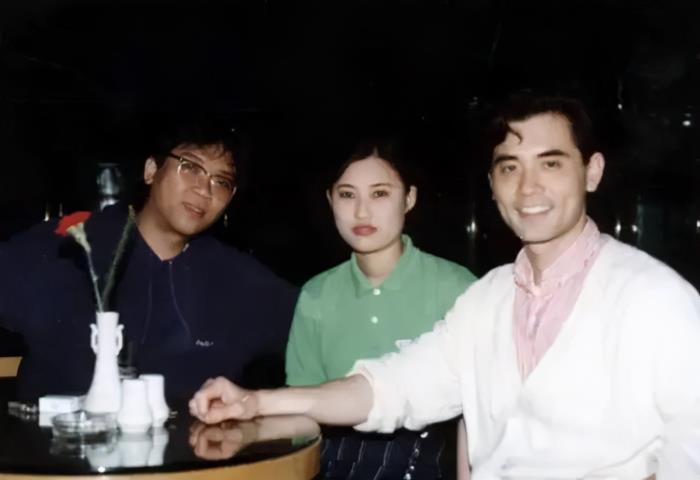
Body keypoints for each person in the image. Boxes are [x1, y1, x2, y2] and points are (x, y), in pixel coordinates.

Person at [190, 94, 700, 479]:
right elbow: (390, 387)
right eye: (510, 167)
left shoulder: (655, 300)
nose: (528, 188)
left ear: (592, 172)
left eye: (550, 163)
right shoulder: (487, 301)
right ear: (493, 184)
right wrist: (255, 403)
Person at [0, 119, 298, 403]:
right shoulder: (69, 247)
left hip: (193, 439)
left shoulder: (238, 279)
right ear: (151, 170)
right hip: (58, 437)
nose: (204, 190)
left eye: (221, 181)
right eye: (190, 167)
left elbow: (313, 326)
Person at [285, 137, 477, 478]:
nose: (362, 212)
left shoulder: (457, 287)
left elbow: (479, 414)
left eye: (380, 194)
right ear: (330, 200)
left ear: (409, 199)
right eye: (347, 195)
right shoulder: (316, 294)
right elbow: (303, 418)